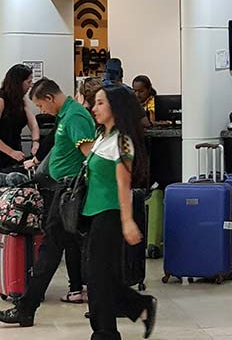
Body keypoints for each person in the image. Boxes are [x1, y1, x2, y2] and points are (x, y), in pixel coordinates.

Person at [0, 78, 95, 327]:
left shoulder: (75, 116)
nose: (42, 111)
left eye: (41, 105)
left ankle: (27, 308)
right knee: (56, 250)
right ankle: (27, 307)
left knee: (53, 250)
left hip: (69, 193)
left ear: (50, 98)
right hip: (61, 190)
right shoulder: (66, 115)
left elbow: (90, 157)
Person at [84, 85, 156, 339]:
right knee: (100, 276)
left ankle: (105, 333)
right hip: (94, 212)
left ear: (116, 107)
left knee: (99, 278)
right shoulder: (102, 136)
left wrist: (127, 221)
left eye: (100, 103)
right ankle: (140, 305)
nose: (94, 108)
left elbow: (123, 185)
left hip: (111, 213)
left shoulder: (122, 141)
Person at [0, 64, 40, 170]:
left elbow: (33, 123)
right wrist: (11, 152)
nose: (31, 85)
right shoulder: (1, 100)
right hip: (4, 153)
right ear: (18, 82)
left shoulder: (20, 101)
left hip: (15, 153)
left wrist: (35, 142)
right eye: (28, 82)